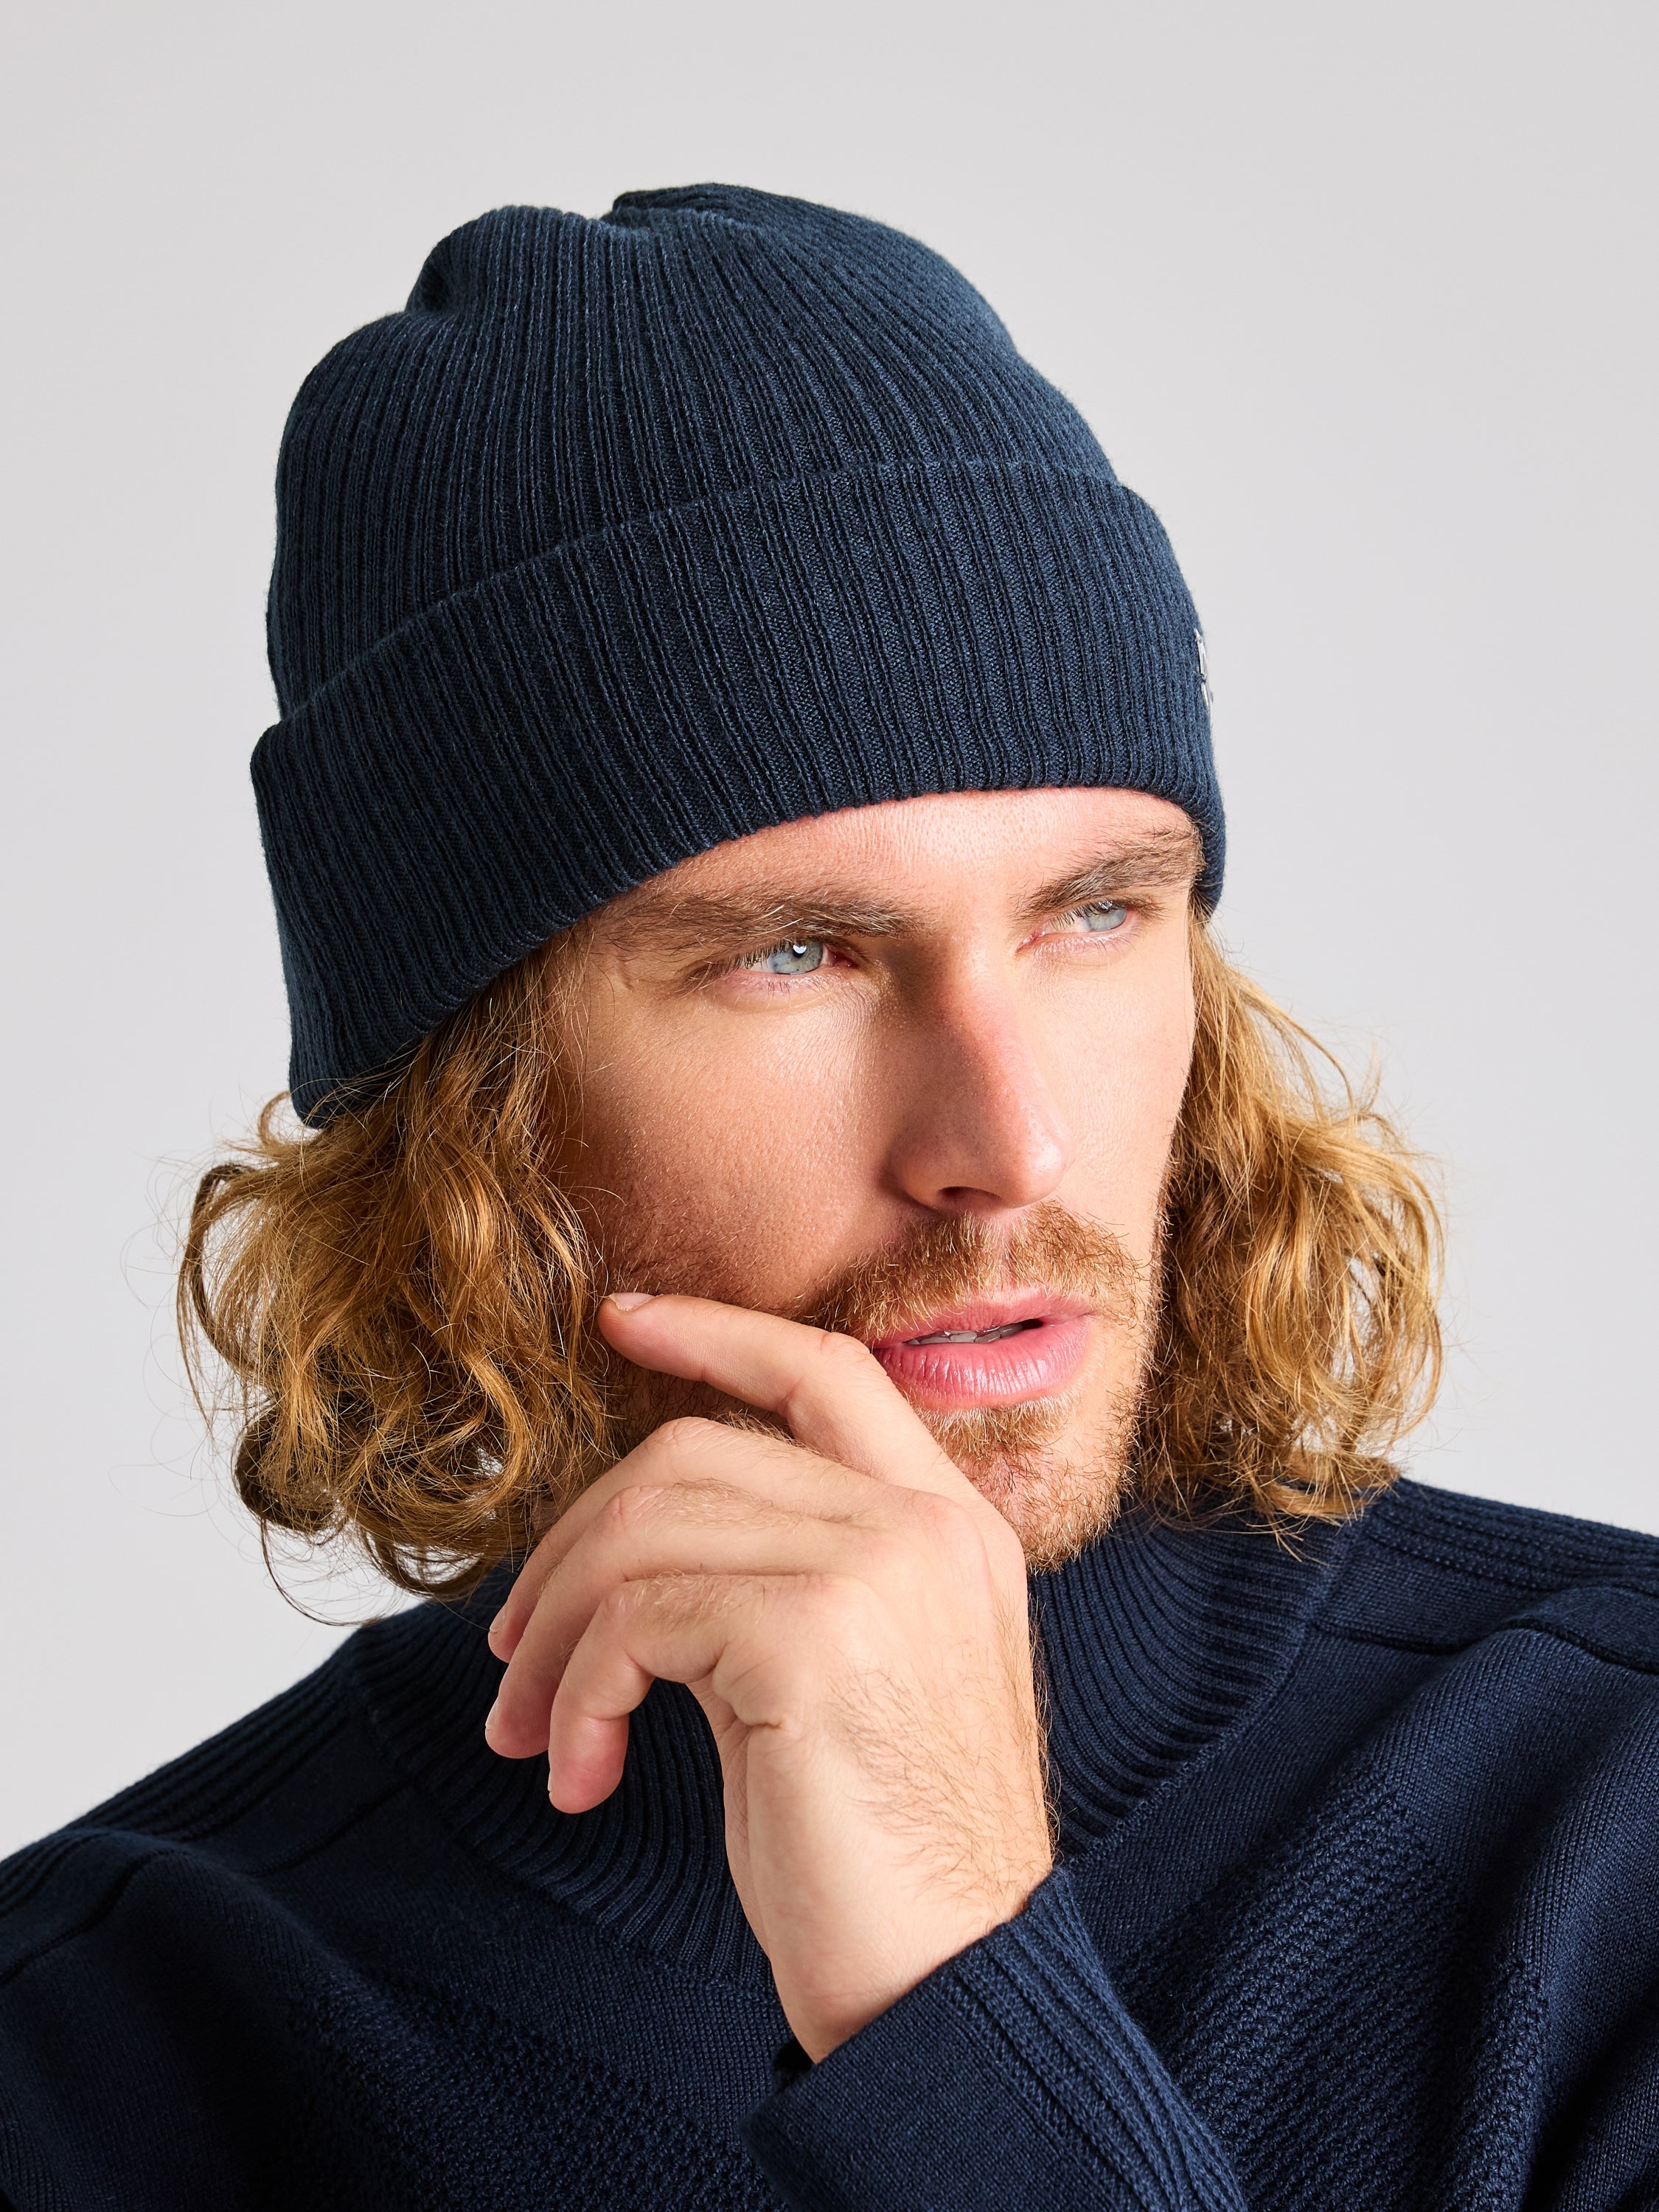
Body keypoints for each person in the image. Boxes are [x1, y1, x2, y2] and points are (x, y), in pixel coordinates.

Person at [0, 185, 1653, 2212]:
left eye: (1095, 913)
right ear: (463, 1109)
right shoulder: (89, 2055)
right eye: (795, 956)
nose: (1009, 1148)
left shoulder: (1614, 1823)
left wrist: (955, 1999)